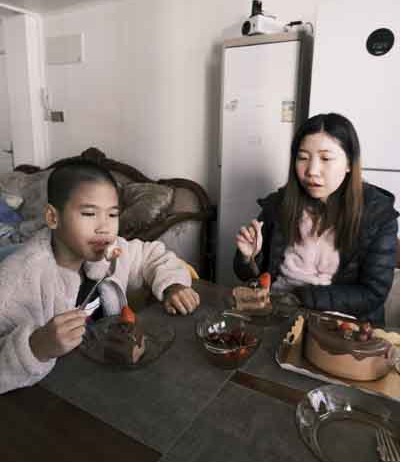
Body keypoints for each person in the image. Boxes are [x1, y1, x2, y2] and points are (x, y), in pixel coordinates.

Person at [0, 160, 200, 394]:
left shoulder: (111, 252)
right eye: (89, 213)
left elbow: (151, 256)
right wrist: (36, 348)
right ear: (53, 217)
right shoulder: (15, 282)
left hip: (113, 385)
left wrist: (172, 285)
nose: (104, 228)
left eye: (113, 214)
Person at [234, 113, 398, 325]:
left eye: (326, 159)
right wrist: (248, 258)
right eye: (303, 158)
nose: (311, 171)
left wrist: (298, 298)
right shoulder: (279, 204)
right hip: (276, 313)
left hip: (340, 324)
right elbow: (247, 275)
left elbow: (372, 293)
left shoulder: (377, 215)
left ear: (349, 163)